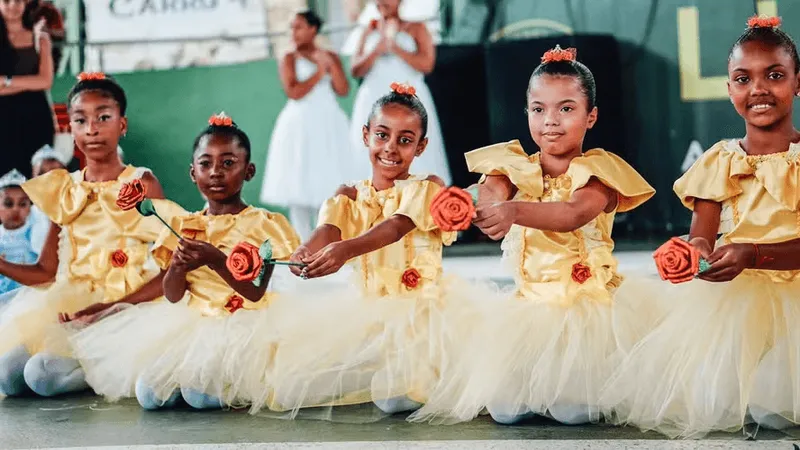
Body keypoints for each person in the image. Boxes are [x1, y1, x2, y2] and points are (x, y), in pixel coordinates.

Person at [408, 46, 655, 426]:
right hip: (530, 310)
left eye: (566, 108)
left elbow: (572, 213)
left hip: (585, 310)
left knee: (574, 411)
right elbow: (492, 192)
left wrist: (512, 212)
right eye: (539, 109)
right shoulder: (513, 167)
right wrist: (469, 204)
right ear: (527, 113)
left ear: (591, 116)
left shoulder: (600, 172)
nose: (550, 121)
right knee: (506, 410)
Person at [600, 16, 800, 438]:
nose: (759, 89)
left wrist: (754, 254)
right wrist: (697, 255)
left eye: (775, 76)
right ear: (729, 90)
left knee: (775, 409)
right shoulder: (720, 161)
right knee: (728, 397)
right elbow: (702, 234)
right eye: (743, 79)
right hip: (739, 300)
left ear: (797, 82)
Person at [240, 83, 464, 417]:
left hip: (420, 314)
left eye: (405, 140)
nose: (390, 148)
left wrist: (344, 250)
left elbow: (395, 227)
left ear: (421, 147)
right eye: (382, 135)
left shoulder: (427, 186)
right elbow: (327, 230)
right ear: (365, 135)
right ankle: (378, 366)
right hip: (367, 314)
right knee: (292, 385)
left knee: (397, 397)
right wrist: (305, 251)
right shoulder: (350, 195)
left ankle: (416, 372)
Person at [69, 112, 301, 410]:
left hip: (243, 325)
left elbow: (255, 292)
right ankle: (195, 381)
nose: (216, 172)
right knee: (149, 394)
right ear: (193, 173)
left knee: (199, 395)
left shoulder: (265, 224)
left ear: (249, 171)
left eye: (228, 163)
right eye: (206, 164)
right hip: (193, 325)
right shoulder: (185, 224)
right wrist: (177, 267)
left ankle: (223, 383)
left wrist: (216, 258)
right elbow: (173, 294)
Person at [0, 73, 185, 398]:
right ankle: (81, 361)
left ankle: (105, 370)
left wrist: (111, 307)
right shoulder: (64, 188)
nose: (92, 129)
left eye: (103, 117)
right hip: (71, 303)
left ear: (122, 124)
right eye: (80, 120)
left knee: (41, 376)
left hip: (128, 306)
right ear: (69, 128)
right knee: (7, 376)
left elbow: (170, 265)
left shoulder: (142, 183)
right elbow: (45, 271)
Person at [259, 10, 351, 241]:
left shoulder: (330, 55)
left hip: (329, 122)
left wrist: (331, 65)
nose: (293, 32)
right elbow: (294, 91)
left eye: (298, 27)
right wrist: (320, 72)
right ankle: (302, 242)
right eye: (292, 27)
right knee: (297, 178)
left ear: (313, 29)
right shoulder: (289, 57)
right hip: (300, 123)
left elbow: (343, 90)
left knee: (328, 176)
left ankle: (329, 239)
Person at [348, 0, 450, 184]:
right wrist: (378, 48)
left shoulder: (416, 27)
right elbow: (355, 69)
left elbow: (426, 65)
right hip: (373, 98)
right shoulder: (368, 30)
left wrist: (394, 46)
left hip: (408, 97)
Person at [0, 0, 55, 178]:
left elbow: (46, 81)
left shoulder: (39, 37)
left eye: (18, 0)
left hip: (36, 116)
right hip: (3, 118)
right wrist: (31, 83)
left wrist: (7, 82)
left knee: (38, 176)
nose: (13, 6)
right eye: (6, 1)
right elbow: (38, 82)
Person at [0, 169, 40, 297]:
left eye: (22, 204)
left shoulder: (38, 234)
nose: (16, 209)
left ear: (30, 206)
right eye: (8, 204)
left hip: (32, 297)